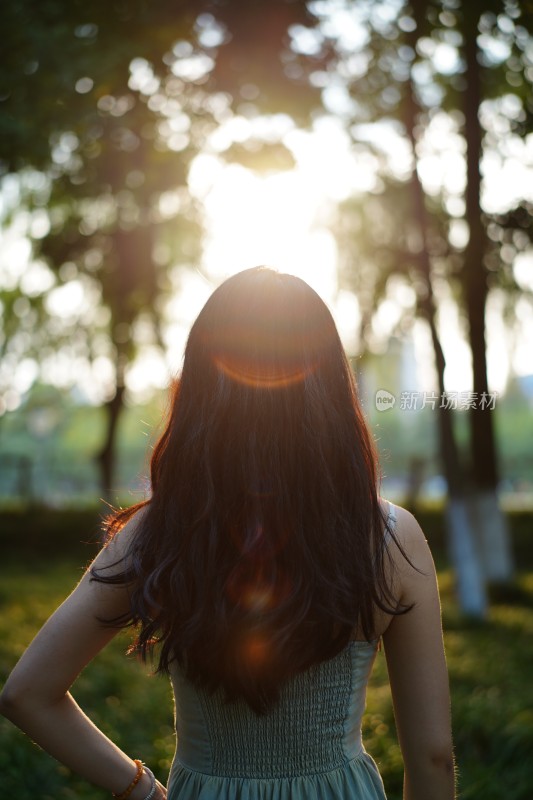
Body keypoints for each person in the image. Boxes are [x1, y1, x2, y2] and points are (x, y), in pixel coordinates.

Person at [0, 266, 455, 800]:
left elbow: (28, 693)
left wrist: (142, 790)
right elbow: (433, 756)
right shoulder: (390, 536)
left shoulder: (159, 532)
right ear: (331, 386)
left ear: (200, 391)